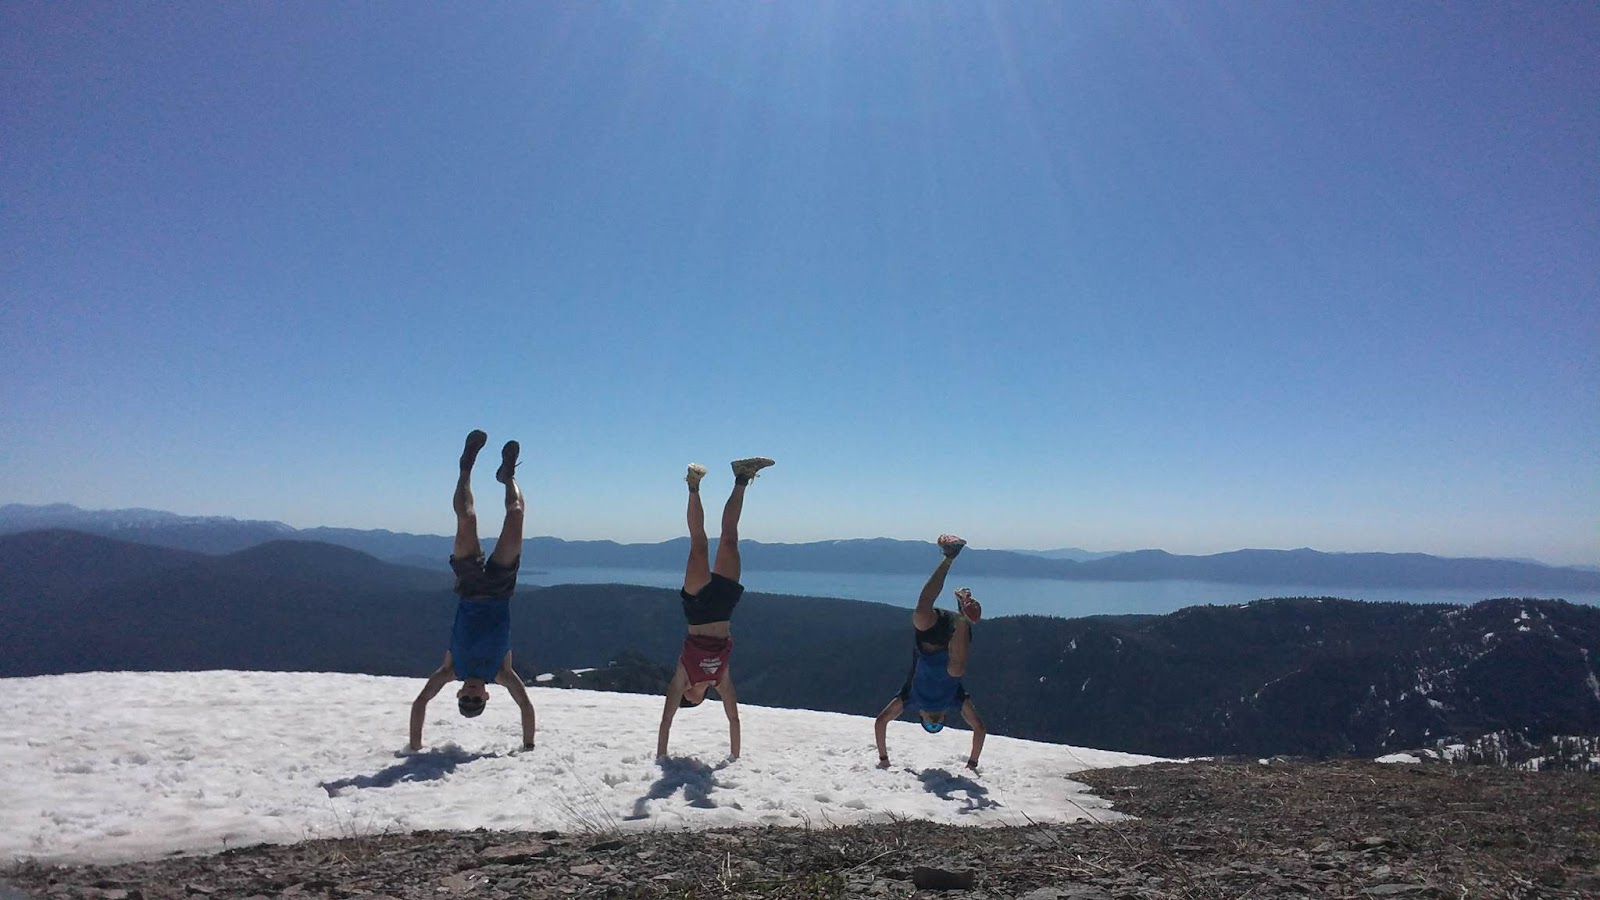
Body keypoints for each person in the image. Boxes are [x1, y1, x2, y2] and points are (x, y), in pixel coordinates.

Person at [409, 429, 538, 752]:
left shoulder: (450, 671)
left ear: (457, 694)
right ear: (486, 696)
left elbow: (421, 701)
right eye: (475, 700)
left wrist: (414, 747)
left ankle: (465, 467)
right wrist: (528, 746)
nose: (470, 694)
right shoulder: (502, 673)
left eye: (465, 698)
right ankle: (507, 477)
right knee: (517, 514)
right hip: (500, 590)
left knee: (466, 519)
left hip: (468, 589)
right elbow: (525, 706)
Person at [655, 456, 775, 760]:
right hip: (724, 609)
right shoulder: (720, 679)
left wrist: (661, 757)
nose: (700, 697)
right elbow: (734, 718)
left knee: (699, 545)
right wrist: (735, 758)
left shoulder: (682, 678)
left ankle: (693, 486)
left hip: (697, 609)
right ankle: (741, 478)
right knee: (730, 540)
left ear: (686, 696)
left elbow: (666, 719)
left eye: (694, 700)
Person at [874, 534, 987, 770]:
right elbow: (979, 727)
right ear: (944, 719)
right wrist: (973, 762)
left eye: (929, 725)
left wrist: (884, 759)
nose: (933, 722)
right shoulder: (955, 701)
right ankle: (963, 616)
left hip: (931, 640)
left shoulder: (910, 698)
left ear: (921, 717)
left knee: (921, 611)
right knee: (956, 670)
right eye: (937, 726)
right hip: (956, 638)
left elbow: (881, 721)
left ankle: (949, 557)